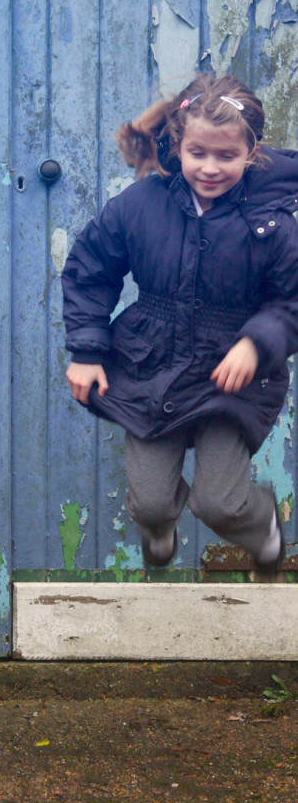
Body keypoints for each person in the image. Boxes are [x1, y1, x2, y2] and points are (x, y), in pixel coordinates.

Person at [62, 73, 298, 572]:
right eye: (198, 153)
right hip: (151, 365)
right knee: (149, 501)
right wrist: (87, 351)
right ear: (177, 145)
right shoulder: (142, 205)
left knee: (217, 502)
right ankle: (157, 528)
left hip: (229, 378)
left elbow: (290, 299)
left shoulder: (272, 220)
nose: (210, 168)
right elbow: (90, 270)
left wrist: (258, 343)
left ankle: (260, 526)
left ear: (251, 153)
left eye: (227, 157)